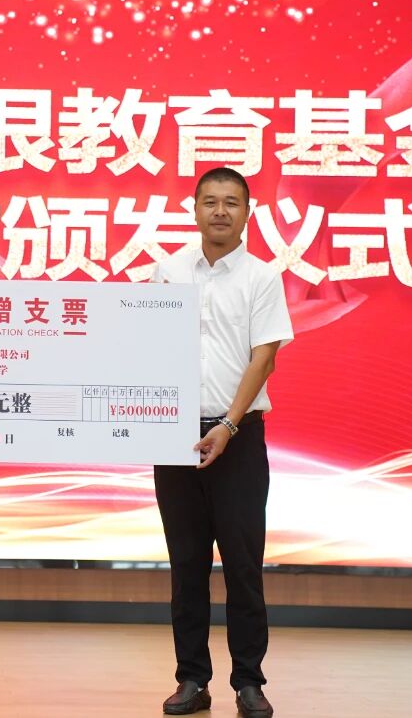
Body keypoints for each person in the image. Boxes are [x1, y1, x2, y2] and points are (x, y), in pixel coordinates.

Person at [152, 167, 293, 718]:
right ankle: (192, 679)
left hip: (239, 439)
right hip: (176, 438)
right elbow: (147, 346)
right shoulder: (168, 272)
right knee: (186, 565)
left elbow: (265, 357)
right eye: (209, 201)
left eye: (231, 202)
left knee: (242, 567)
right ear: (194, 209)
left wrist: (229, 426)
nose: (219, 211)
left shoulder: (261, 277)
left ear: (247, 212)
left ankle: (249, 682)